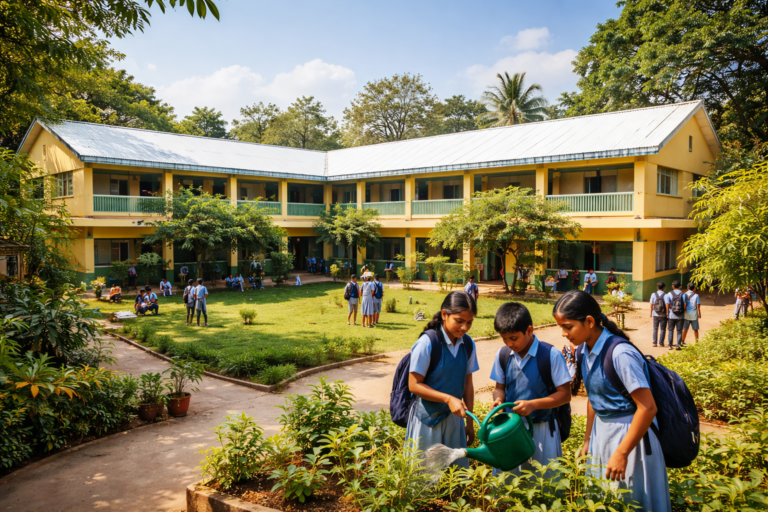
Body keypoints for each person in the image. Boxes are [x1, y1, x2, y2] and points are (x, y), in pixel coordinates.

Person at [553, 290, 670, 512]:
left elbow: (647, 407)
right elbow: (593, 399)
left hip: (631, 435)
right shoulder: (583, 351)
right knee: (605, 498)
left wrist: (622, 452)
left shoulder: (620, 354)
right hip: (602, 433)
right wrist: (588, 440)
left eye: (568, 326)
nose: (563, 333)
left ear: (589, 321)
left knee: (632, 497)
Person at [490, 302, 572, 476]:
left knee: (545, 481)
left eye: (513, 338)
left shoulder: (550, 355)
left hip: (543, 429)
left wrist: (533, 405)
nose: (509, 343)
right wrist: (498, 399)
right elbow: (499, 388)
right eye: (504, 339)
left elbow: (565, 395)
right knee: (510, 481)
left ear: (529, 330)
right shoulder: (503, 355)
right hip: (511, 429)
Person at [406, 291, 479, 468]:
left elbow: (467, 384)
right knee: (425, 476)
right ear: (445, 315)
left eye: (469, 322)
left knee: (455, 475)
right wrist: (447, 398)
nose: (464, 327)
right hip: (427, 420)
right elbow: (414, 385)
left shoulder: (467, 345)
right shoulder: (428, 343)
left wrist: (469, 423)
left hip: (454, 420)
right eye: (459, 321)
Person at [665, 280, 686, 350]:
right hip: (681, 315)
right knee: (679, 330)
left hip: (671, 315)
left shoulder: (669, 294)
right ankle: (678, 345)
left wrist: (667, 313)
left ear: (672, 286)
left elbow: (667, 304)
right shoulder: (684, 294)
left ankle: (670, 345)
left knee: (670, 330)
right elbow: (685, 305)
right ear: (680, 286)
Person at [649, 282, 668, 347]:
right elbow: (667, 304)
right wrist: (667, 313)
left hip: (655, 313)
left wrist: (651, 313)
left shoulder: (653, 294)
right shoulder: (666, 295)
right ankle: (661, 343)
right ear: (663, 288)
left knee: (655, 328)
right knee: (663, 329)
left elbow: (651, 304)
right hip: (663, 314)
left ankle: (654, 343)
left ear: (657, 287)